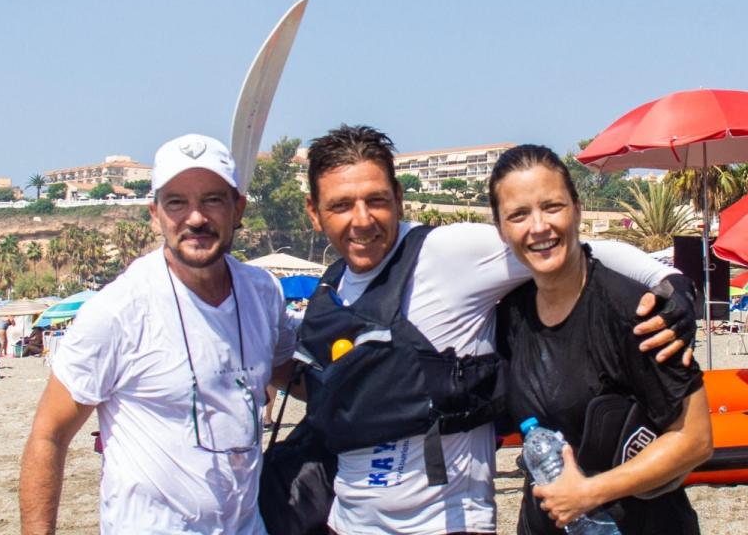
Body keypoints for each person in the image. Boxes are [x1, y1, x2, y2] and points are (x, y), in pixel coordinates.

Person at [287, 125, 697, 535]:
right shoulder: (331, 290)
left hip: (445, 523)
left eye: (376, 200)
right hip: (346, 523)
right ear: (314, 211)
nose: (362, 220)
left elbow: (573, 245)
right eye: (340, 206)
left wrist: (673, 284)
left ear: (398, 196)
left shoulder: (447, 252)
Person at [19, 133, 296, 534]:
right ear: (155, 214)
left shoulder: (263, 292)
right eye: (177, 202)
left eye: (213, 200)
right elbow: (48, 435)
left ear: (238, 209)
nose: (196, 218)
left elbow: (289, 370)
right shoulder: (118, 311)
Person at [489, 145, 712, 534]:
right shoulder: (510, 317)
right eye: (519, 215)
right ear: (501, 228)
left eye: (552, 206)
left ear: (577, 208)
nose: (538, 226)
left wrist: (590, 492)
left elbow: (695, 439)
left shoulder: (635, 312)